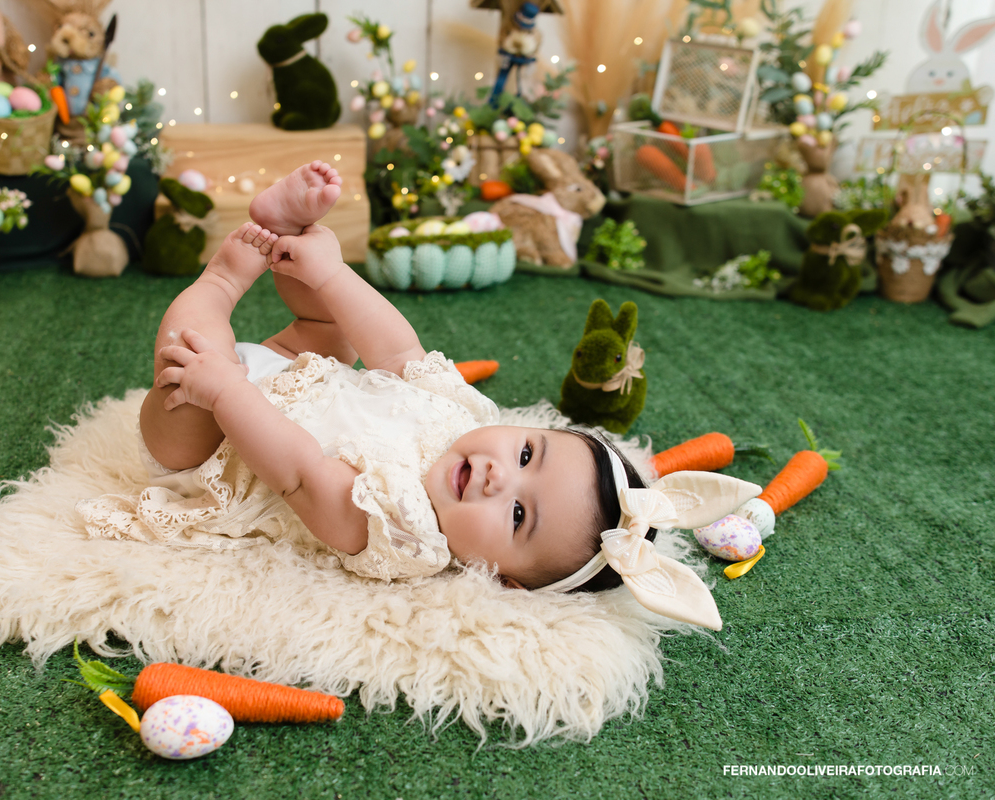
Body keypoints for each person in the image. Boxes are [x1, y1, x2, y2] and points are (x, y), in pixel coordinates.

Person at [79, 163, 761, 631]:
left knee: (186, 363)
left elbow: (298, 472)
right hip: (300, 371)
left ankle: (223, 277)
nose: (501, 474)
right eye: (528, 452)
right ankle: (291, 235)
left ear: (504, 579)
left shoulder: (407, 535)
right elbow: (399, 354)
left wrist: (227, 386)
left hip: (220, 443)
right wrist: (335, 276)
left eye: (519, 513)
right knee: (327, 325)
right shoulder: (466, 422)